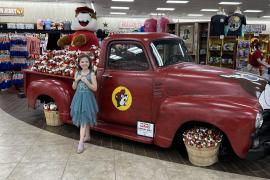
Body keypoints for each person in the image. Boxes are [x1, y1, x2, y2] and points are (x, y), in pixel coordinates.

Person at [70, 54, 98, 153]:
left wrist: (86, 81)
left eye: (86, 61)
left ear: (89, 63)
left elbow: (95, 88)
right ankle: (88, 136)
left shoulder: (91, 74)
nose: (84, 63)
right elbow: (74, 87)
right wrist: (76, 80)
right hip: (78, 98)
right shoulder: (77, 73)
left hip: (88, 98)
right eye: (82, 61)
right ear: (79, 63)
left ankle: (81, 142)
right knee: (84, 118)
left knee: (83, 119)